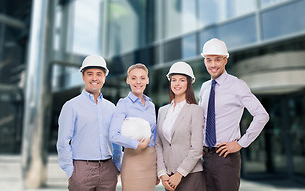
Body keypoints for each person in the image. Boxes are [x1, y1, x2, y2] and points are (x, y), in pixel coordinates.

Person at [199, 38, 270, 191]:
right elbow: (202, 120)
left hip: (226, 158)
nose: (212, 65)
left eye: (217, 60)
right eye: (208, 60)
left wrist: (240, 143)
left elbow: (261, 115)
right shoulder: (204, 88)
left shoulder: (237, 85)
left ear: (225, 59)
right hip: (204, 157)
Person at [56, 55, 122, 191]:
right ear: (83, 77)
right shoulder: (71, 106)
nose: (94, 78)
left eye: (99, 74)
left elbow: (116, 141)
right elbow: (63, 142)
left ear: (104, 77)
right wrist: (70, 172)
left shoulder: (111, 107)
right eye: (89, 74)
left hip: (108, 170)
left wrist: (116, 165)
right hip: (81, 170)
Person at [155, 62, 206, 191]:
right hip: (168, 178)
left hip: (191, 176)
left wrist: (179, 174)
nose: (177, 83)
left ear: (189, 83)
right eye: (174, 80)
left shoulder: (195, 110)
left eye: (182, 80)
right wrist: (162, 173)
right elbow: (158, 144)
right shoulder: (162, 111)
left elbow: (197, 149)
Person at [109, 63, 157, 191]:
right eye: (134, 78)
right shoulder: (123, 104)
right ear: (128, 80)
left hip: (152, 161)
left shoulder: (151, 106)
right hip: (133, 160)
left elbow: (155, 135)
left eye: (142, 78)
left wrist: (159, 166)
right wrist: (137, 145)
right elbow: (114, 135)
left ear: (147, 80)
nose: (138, 82)